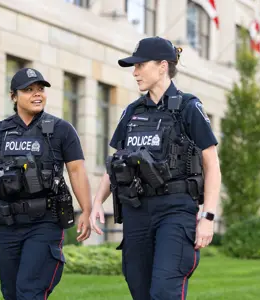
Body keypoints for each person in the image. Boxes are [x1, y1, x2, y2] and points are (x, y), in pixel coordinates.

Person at [89, 36, 221, 300]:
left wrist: (208, 216)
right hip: (136, 210)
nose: (135, 72)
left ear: (162, 66)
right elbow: (115, 161)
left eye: (140, 65)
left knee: (164, 290)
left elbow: (212, 164)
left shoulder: (188, 107)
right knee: (139, 289)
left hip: (175, 210)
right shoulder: (132, 112)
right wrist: (96, 203)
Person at [0, 67, 92, 300]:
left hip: (45, 222)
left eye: (40, 89)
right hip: (9, 223)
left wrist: (87, 211)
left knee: (29, 291)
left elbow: (77, 171)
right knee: (10, 293)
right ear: (13, 96)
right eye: (28, 90)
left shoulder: (61, 130)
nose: (37, 94)